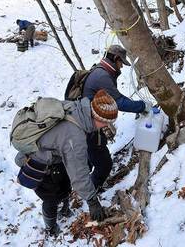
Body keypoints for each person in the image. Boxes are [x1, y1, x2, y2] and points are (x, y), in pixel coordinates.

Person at [15, 90, 118, 236]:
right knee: (50, 199)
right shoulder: (74, 136)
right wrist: (92, 201)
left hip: (56, 156)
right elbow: (79, 175)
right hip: (41, 163)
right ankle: (50, 227)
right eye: (107, 123)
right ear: (99, 118)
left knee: (64, 186)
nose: (106, 126)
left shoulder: (77, 108)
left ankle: (64, 209)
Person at [82, 45, 151, 190]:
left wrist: (137, 105)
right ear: (115, 58)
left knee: (91, 155)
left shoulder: (100, 70)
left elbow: (116, 96)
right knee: (104, 164)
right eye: (121, 63)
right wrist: (142, 106)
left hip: (88, 121)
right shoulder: (102, 76)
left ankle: (85, 180)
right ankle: (91, 191)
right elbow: (118, 102)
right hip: (88, 126)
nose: (122, 67)